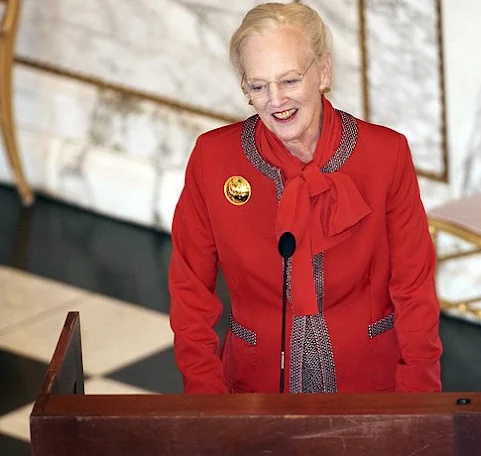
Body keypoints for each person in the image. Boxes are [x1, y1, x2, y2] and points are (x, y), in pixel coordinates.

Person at [169, 2, 442, 394]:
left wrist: (418, 404)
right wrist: (207, 404)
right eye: (258, 86)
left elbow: (414, 291)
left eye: (290, 80)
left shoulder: (385, 155)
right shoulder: (214, 159)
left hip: (369, 387)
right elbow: (190, 293)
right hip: (253, 388)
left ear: (324, 72)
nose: (275, 100)